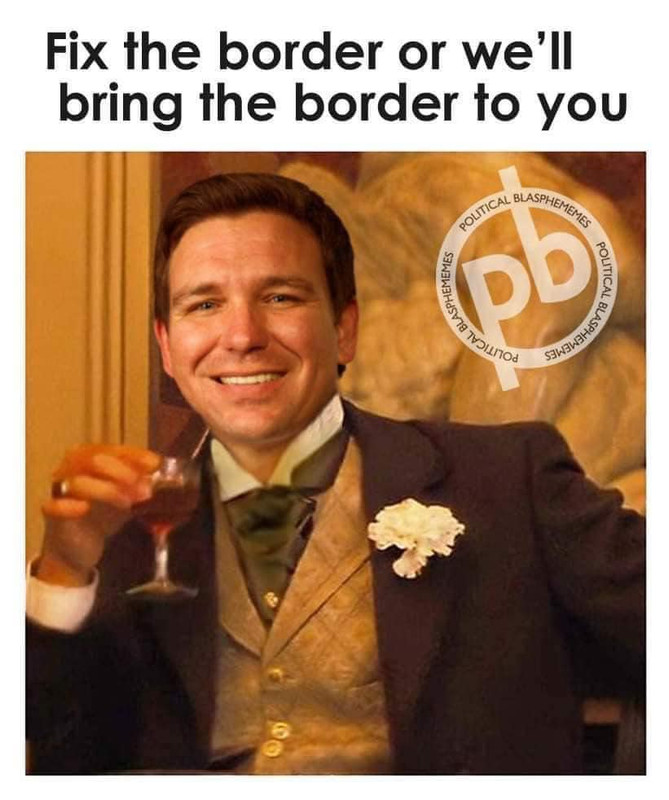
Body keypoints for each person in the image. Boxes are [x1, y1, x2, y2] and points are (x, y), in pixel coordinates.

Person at [26, 173, 645, 775]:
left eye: (280, 297)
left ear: (344, 330)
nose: (242, 335)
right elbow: (58, 756)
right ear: (167, 346)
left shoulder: (509, 479)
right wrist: (63, 570)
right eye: (205, 304)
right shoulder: (121, 531)